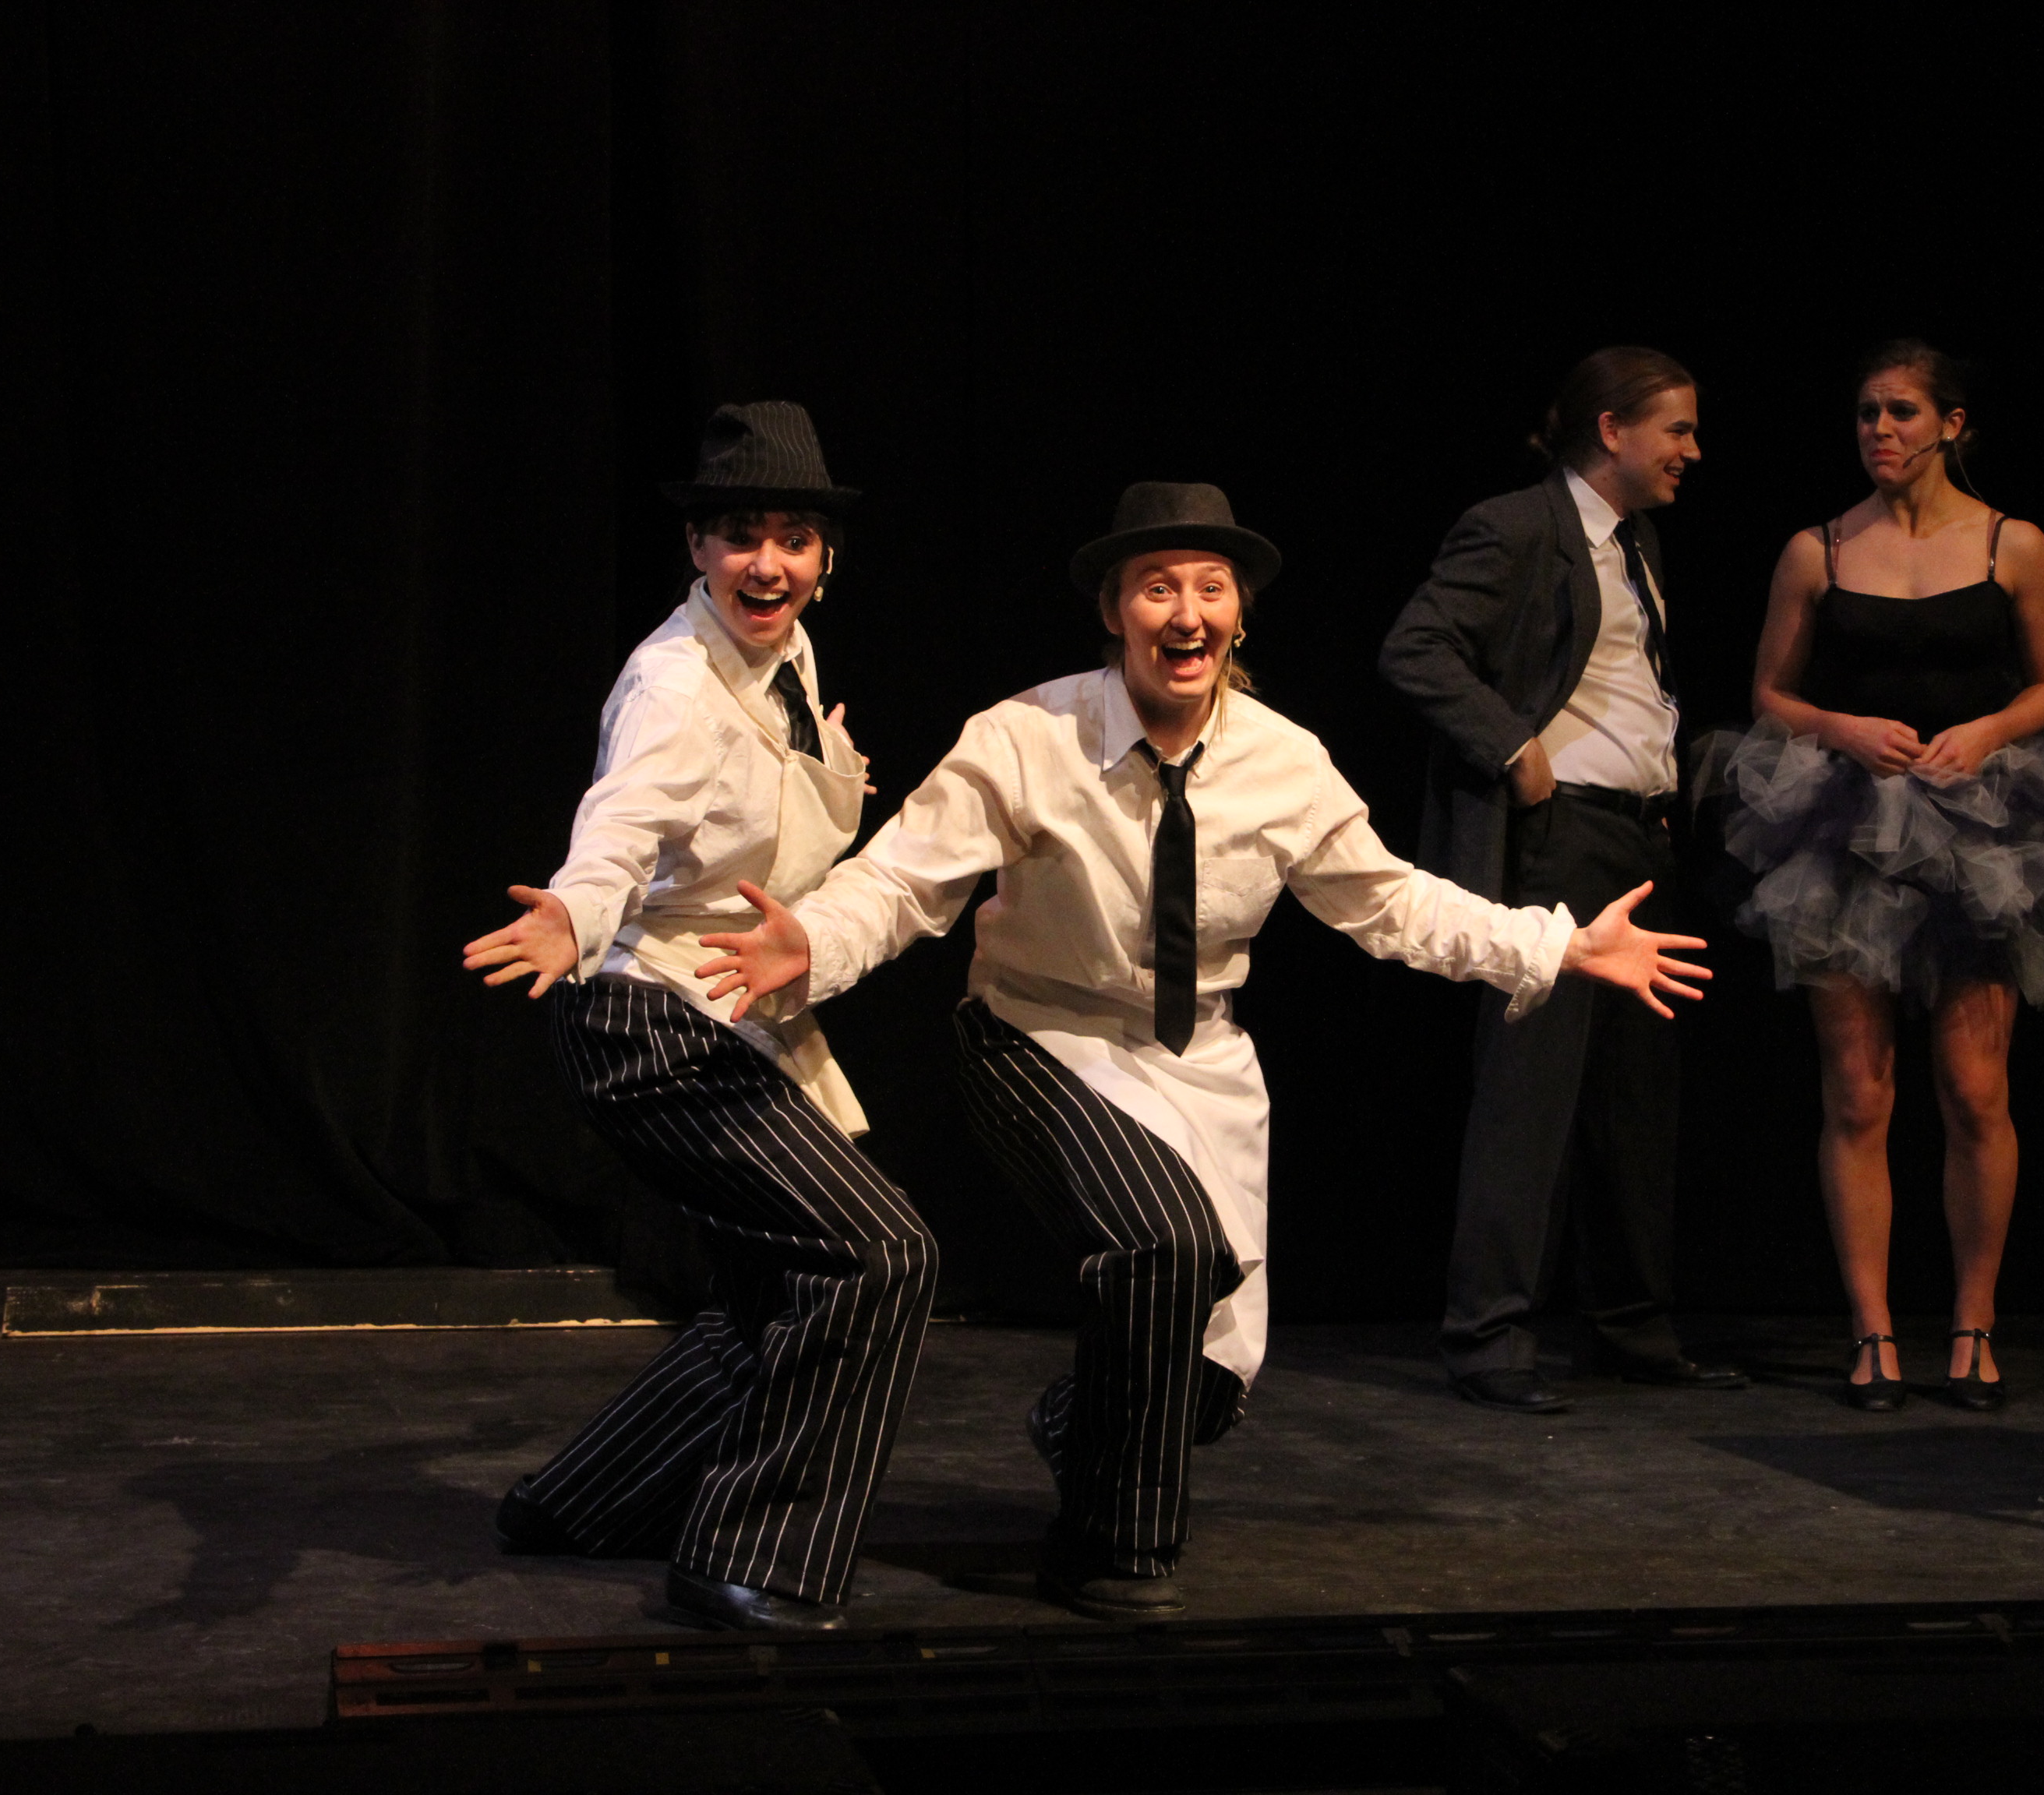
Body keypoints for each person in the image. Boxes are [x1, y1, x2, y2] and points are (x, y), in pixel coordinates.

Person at [691, 481, 1709, 1620]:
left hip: (1202, 1061)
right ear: (1115, 612)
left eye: (1210, 590)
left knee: (1215, 1375)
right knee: (1166, 1247)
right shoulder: (1026, 738)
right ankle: (1110, 1551)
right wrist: (814, 940)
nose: (1187, 614)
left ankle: (1085, 1428)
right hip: (1040, 1035)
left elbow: (1390, 902)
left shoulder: (1284, 761)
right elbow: (900, 883)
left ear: (1239, 614)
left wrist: (1555, 945)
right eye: (1158, 588)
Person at [459, 400, 935, 1631]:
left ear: (826, 558)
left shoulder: (787, 658)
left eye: (793, 539)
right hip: (644, 1022)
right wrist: (573, 914)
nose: (766, 564)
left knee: (779, 1286)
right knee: (875, 1253)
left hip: (721, 1013)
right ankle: (754, 1553)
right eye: (739, 536)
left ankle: (579, 1505)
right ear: (696, 548)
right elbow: (621, 826)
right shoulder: (675, 683)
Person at [1717, 340, 2044, 1412]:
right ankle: (1873, 1332)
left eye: (1900, 413)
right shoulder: (1817, 550)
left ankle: (1974, 1326)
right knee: (1858, 1091)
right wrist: (1841, 725)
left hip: (1986, 829)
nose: (1879, 431)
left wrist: (1986, 732)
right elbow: (1770, 695)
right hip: (1845, 829)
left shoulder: (2012, 543)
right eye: (1866, 414)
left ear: (1952, 424)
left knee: (1976, 1089)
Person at [1379, 346, 1741, 1416]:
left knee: (1635, 1096)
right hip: (1561, 842)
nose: (1692, 450)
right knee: (1529, 1097)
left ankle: (1630, 1322)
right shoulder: (1519, 526)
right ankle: (1489, 1336)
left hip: (1637, 840)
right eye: (1676, 429)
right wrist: (1511, 745)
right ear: (1612, 429)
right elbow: (1416, 648)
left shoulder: (1638, 541)